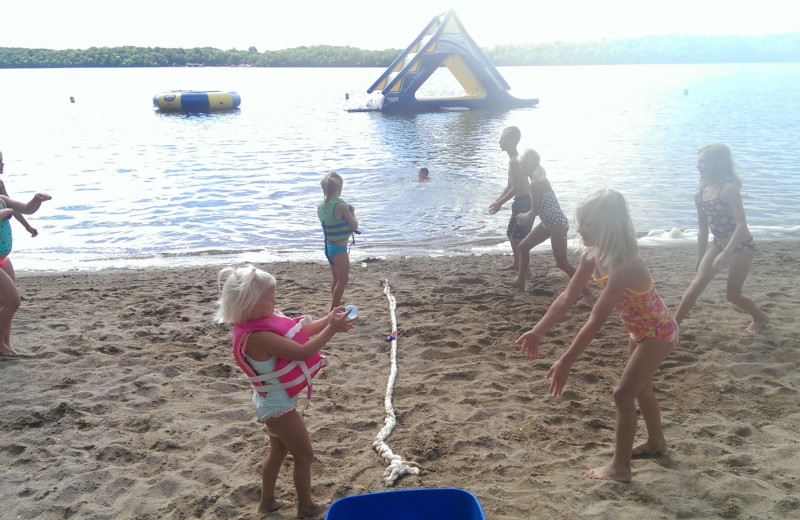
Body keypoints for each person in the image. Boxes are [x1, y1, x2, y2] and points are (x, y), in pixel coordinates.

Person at [516, 189, 678, 483]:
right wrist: (539, 331)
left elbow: (596, 320)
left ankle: (620, 468)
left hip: (658, 332)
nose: (579, 229)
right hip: (640, 329)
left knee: (623, 394)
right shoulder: (593, 256)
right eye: (580, 222)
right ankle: (656, 442)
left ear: (611, 226)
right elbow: (568, 296)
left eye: (588, 223)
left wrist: (566, 361)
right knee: (640, 388)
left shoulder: (624, 265)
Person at [215, 265, 355, 518]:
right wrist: (332, 330)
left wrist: (329, 320)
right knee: (305, 455)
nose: (275, 301)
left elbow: (299, 334)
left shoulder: (261, 322)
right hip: (278, 406)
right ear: (251, 302)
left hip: (271, 400)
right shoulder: (258, 337)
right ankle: (306, 507)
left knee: (278, 450)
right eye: (271, 297)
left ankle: (267, 502)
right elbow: (303, 352)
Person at [674, 143, 768, 335]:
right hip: (718, 244)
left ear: (717, 163)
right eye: (698, 161)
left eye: (703, 161)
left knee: (732, 295)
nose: (698, 165)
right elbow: (702, 229)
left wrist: (727, 253)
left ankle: (760, 317)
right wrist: (700, 257)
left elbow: (742, 225)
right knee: (696, 285)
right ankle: (672, 328)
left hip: (741, 245)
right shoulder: (699, 194)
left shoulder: (728, 188)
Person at [505, 149, 591, 301]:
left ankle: (588, 291)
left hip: (557, 224)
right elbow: (538, 210)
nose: (520, 168)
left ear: (526, 165)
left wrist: (524, 217)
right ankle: (520, 281)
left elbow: (534, 210)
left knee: (562, 263)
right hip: (548, 223)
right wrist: (526, 216)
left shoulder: (536, 183)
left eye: (521, 165)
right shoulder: (538, 180)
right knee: (523, 247)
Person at [0, 185, 52, 356]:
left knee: (5, 303)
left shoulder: (2, 199)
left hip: (3, 259)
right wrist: (3, 214)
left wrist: (36, 199)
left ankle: (5, 343)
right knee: (13, 301)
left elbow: (26, 208)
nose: (2, 165)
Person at [488, 126, 533, 276]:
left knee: (517, 237)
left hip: (524, 201)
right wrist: (498, 199)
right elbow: (510, 185)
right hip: (519, 200)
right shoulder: (512, 160)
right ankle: (517, 262)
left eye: (503, 139)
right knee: (510, 233)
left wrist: (500, 203)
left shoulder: (515, 161)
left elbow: (516, 187)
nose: (499, 141)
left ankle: (526, 270)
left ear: (514, 141)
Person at [317, 172, 358, 309]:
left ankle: (336, 305)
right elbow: (354, 226)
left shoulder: (321, 205)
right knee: (343, 280)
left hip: (328, 247)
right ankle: (333, 311)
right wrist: (352, 213)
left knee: (336, 279)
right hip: (339, 250)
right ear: (339, 188)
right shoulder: (341, 206)